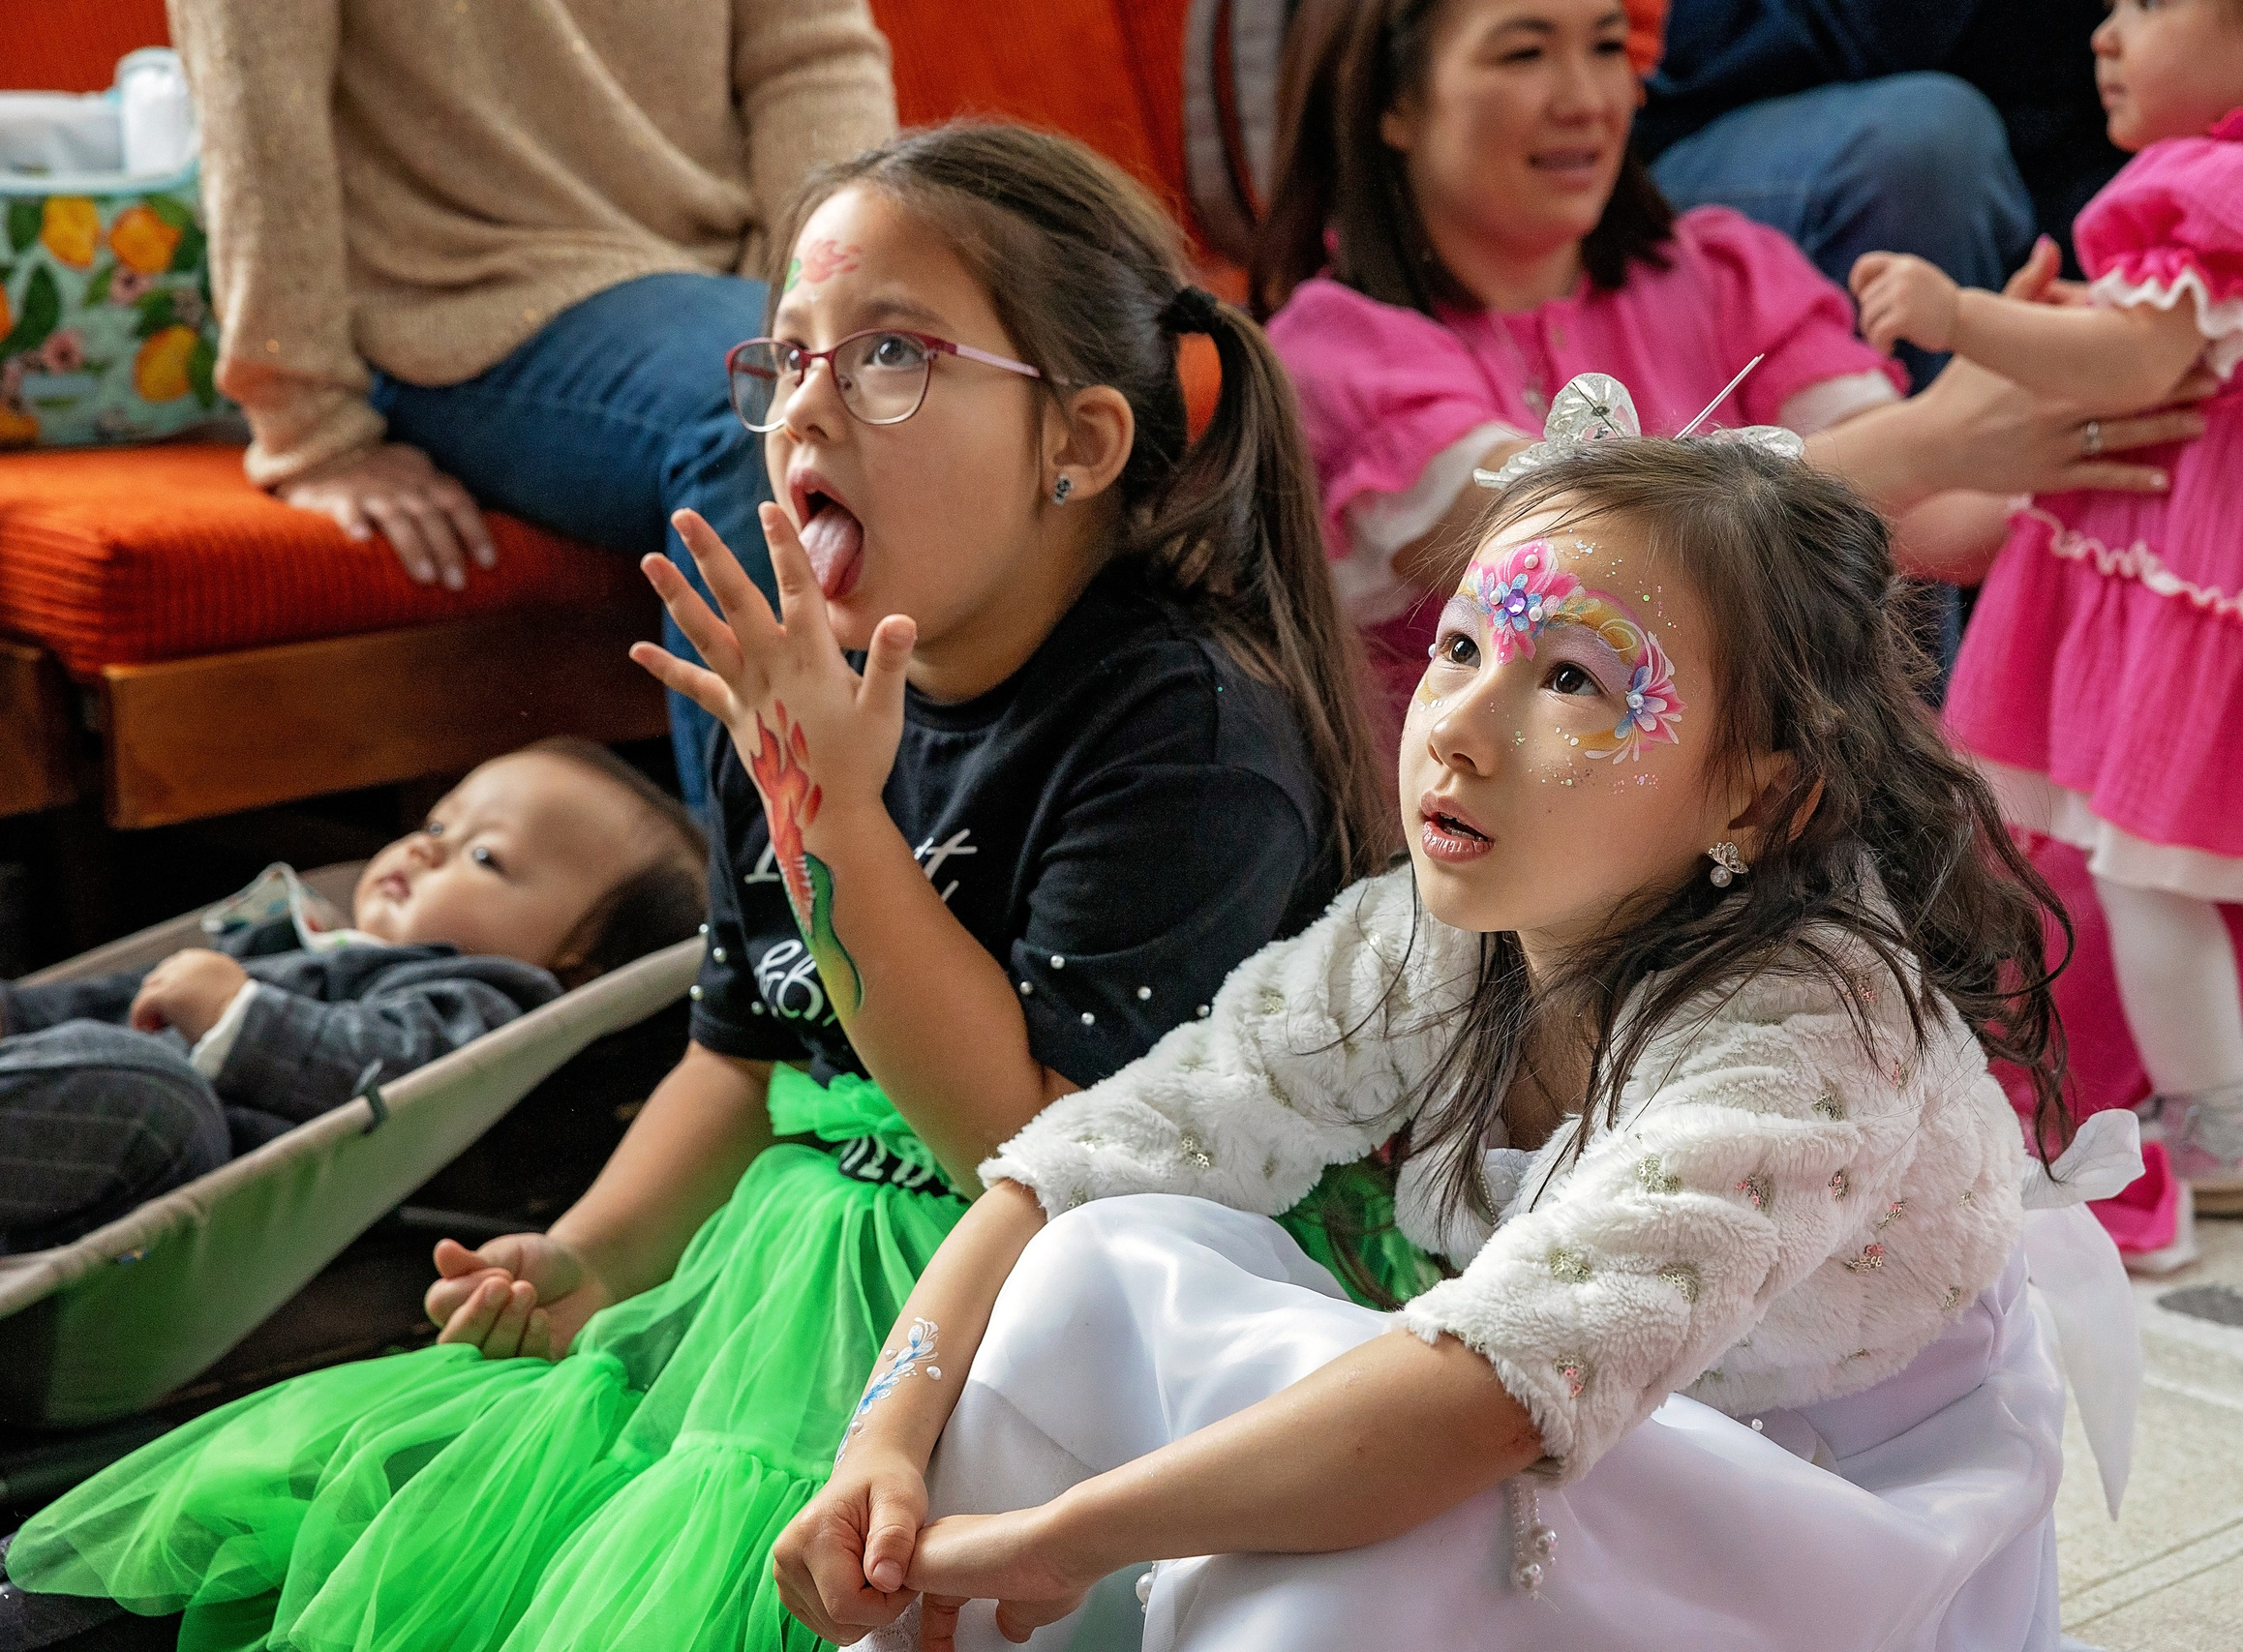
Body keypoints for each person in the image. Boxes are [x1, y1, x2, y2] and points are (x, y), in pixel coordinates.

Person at [0, 124, 1392, 1652]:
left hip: (1026, 1328)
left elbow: (1029, 1150)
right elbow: (739, 1060)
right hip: (760, 1284)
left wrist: (831, 822)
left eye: (890, 353)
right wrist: (591, 1250)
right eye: (788, 356)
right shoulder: (791, 707)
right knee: (331, 1505)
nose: (809, 403)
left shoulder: (1187, 733)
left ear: (1081, 440)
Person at [765, 431, 2138, 1652]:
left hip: (1815, 1511)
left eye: (1574, 679)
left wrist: (1068, 1536)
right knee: (1094, 1260)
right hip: (1535, 1409)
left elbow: (1480, 1406)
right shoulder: (1428, 934)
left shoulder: (1813, 1042)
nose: (1459, 730)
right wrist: (883, 1439)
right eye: (1462, 647)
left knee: (1382, 1554)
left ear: (1760, 798)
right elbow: (1084, 1160)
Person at [1638, 1, 2243, 886]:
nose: (2107, 27)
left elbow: (1987, 488)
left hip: (2062, 120)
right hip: (1810, 75)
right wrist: (1964, 378)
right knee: (1933, 144)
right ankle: (1933, 788)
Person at [1853, 0, 2243, 1219]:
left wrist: (1960, 316)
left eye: (2144, 4)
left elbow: (2134, 365)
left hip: (2189, 593)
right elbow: (2193, 347)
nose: (2103, 33)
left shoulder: (2206, 184)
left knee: (2145, 868)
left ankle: (2214, 1119)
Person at [1253, 0, 2214, 731]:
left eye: (1605, 46)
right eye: (1523, 52)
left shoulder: (1724, 271)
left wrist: (2097, 431)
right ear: (1391, 103)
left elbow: (1928, 524)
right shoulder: (1335, 352)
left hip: (1760, 842)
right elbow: (1568, 553)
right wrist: (1932, 435)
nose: (1584, 99)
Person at [170, 0, 896, 805]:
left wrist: (825, 296)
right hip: (459, 299)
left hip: (727, 281)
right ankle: (781, 882)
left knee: (926, 379)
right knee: (766, 411)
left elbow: (810, 54)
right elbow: (258, 107)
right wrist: (309, 424)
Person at [0, 739, 707, 1253]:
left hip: (157, 1165)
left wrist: (241, 1016)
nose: (424, 849)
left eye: (485, 856)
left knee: (156, 1096)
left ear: (576, 967)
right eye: (437, 825)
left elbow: (393, 1079)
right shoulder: (312, 936)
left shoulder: (483, 1001)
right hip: (46, 1118)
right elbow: (108, 1002)